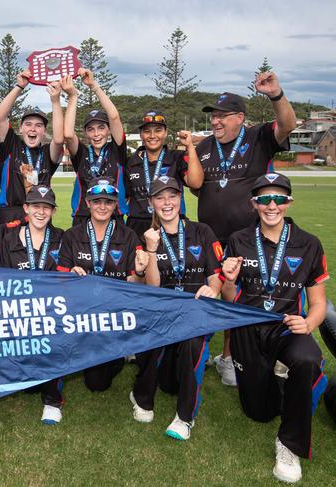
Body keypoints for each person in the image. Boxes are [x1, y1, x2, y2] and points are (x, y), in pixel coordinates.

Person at [221, 173, 328, 483]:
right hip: (248, 326)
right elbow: (230, 300)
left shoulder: (309, 243)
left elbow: (319, 303)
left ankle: (289, 445)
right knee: (259, 412)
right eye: (264, 199)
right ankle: (281, 378)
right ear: (254, 204)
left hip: (286, 327)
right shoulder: (239, 240)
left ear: (289, 202)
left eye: (279, 199)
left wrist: (308, 322)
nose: (272, 205)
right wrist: (228, 279)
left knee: (307, 358)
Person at [195, 72, 296, 386]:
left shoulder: (257, 137)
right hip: (209, 237)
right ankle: (200, 352)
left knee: (239, 295)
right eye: (213, 116)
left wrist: (276, 94)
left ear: (240, 117)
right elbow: (198, 186)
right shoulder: (204, 147)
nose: (215, 122)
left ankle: (230, 357)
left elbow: (288, 125)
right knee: (210, 293)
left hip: (250, 237)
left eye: (222, 116)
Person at [130, 176, 222, 440]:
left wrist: (213, 289)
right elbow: (154, 287)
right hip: (163, 310)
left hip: (195, 310)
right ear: (151, 204)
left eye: (172, 195)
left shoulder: (202, 231)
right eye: (160, 197)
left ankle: (185, 417)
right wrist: (151, 249)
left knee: (193, 343)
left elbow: (215, 275)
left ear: (180, 199)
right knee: (155, 347)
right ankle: (142, 395)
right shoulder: (146, 237)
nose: (167, 202)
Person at [56, 177, 148, 392]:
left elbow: (135, 282)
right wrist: (70, 275)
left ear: (116, 205)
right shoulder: (72, 235)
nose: (102, 206)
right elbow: (60, 280)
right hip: (82, 313)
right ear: (87, 203)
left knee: (98, 384)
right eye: (97, 201)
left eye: (108, 201)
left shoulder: (128, 235)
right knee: (94, 381)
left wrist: (141, 272)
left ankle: (118, 350)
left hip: (113, 314)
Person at [0, 185, 64, 424]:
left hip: (52, 314)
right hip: (19, 313)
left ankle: (52, 401)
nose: (41, 212)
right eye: (36, 206)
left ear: (53, 211)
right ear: (26, 208)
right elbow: (1, 280)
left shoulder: (62, 238)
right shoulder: (9, 238)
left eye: (46, 207)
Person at [0, 71, 64, 223]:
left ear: (44, 131)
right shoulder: (12, 145)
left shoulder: (47, 152)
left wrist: (55, 101)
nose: (33, 129)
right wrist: (19, 86)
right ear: (20, 128)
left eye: (39, 125)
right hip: (10, 214)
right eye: (28, 124)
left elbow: (58, 139)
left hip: (40, 213)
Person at [62, 69, 129, 226]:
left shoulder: (116, 150)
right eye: (91, 129)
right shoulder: (81, 154)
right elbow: (68, 134)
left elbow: (114, 116)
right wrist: (73, 96)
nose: (96, 133)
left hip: (114, 217)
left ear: (108, 130)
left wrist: (93, 86)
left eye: (101, 127)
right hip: (83, 218)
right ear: (86, 133)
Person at [123, 111, 203, 238]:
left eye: (158, 130)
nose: (152, 135)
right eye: (147, 131)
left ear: (165, 133)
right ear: (141, 135)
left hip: (171, 222)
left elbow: (196, 183)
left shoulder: (176, 157)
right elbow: (125, 197)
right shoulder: (131, 162)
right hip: (137, 226)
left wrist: (190, 146)